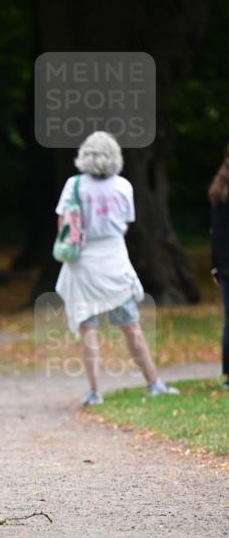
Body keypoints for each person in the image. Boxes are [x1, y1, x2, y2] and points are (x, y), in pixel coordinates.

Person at [54, 131, 180, 405]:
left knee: (88, 328)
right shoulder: (124, 186)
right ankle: (154, 382)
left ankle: (95, 391)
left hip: (83, 264)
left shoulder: (74, 185)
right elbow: (125, 225)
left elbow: (63, 225)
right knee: (131, 326)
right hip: (114, 261)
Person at [208, 142, 229, 390]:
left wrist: (214, 265)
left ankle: (227, 374)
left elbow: (214, 233)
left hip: (224, 266)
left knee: (228, 322)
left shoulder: (218, 191)